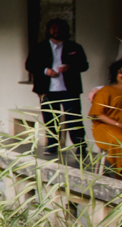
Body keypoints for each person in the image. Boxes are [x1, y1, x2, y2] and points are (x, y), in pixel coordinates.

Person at [25, 18, 90, 158]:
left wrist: (70, 67)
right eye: (53, 28)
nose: (56, 30)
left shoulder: (74, 47)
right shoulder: (39, 47)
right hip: (47, 89)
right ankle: (52, 145)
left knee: (73, 119)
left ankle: (80, 147)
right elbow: (29, 65)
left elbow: (84, 65)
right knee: (50, 119)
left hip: (69, 89)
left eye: (59, 28)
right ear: (48, 30)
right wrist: (45, 70)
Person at [90, 59, 122, 175]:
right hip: (105, 126)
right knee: (120, 139)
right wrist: (118, 124)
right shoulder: (106, 91)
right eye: (121, 72)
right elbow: (98, 114)